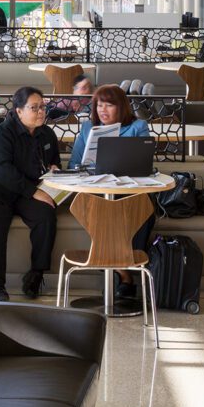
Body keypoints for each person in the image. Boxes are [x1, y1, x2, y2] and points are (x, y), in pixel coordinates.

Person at [69, 83, 154, 298]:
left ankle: (123, 267)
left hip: (129, 188)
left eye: (109, 105)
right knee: (100, 208)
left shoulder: (137, 127)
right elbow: (74, 163)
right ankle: (123, 273)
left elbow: (144, 163)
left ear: (121, 108)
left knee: (143, 208)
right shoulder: (88, 128)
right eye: (99, 106)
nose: (103, 111)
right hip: (96, 188)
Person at [0, 86, 60, 301]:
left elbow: (53, 163)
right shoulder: (1, 135)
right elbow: (3, 171)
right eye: (34, 107)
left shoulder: (47, 134)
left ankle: (35, 274)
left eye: (43, 107)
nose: (41, 111)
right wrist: (33, 192)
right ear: (19, 111)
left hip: (27, 193)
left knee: (46, 215)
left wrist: (53, 170)